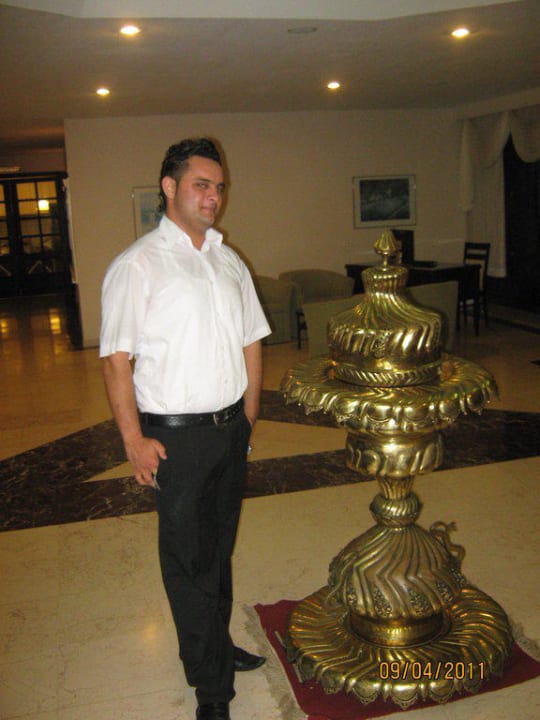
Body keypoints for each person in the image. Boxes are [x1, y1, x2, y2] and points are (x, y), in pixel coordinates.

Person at [100, 138, 271, 720]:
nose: (214, 196)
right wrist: (133, 441)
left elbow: (252, 340)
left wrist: (248, 417)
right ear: (169, 187)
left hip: (229, 429)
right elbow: (115, 360)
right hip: (176, 439)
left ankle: (213, 648)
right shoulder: (138, 265)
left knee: (218, 550)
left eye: (219, 187)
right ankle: (211, 689)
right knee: (188, 562)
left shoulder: (228, 260)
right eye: (202, 184)